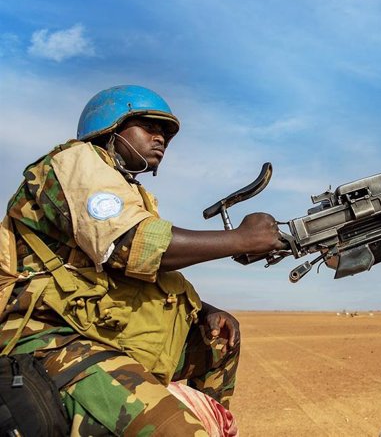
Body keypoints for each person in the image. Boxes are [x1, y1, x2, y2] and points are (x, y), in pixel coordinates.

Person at [0, 85, 284, 435]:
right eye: (150, 127)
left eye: (165, 133)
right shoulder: (75, 163)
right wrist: (241, 239)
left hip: (100, 327)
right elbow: (133, 245)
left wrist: (204, 309)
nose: (161, 139)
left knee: (217, 342)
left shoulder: (128, 191)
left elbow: (131, 275)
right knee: (178, 430)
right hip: (53, 337)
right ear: (110, 127)